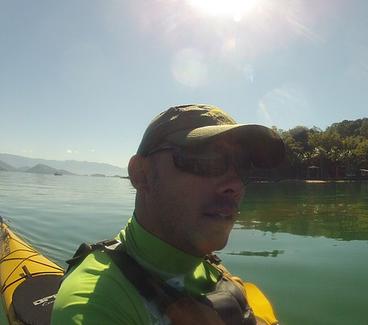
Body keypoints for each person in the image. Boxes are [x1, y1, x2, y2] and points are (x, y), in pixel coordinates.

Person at [52, 104, 284, 325]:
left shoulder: (210, 266)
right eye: (207, 160)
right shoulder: (94, 305)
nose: (235, 184)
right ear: (141, 175)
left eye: (243, 166)